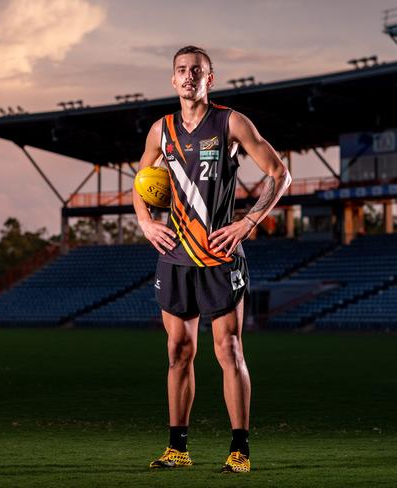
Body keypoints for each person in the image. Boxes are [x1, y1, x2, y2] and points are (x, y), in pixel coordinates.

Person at [133, 45, 291, 473]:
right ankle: (177, 449)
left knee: (229, 349)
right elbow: (140, 180)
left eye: (196, 71)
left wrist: (249, 222)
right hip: (175, 256)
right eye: (181, 70)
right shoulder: (160, 130)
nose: (189, 77)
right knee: (178, 351)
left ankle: (239, 450)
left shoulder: (230, 122)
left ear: (210, 78)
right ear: (172, 79)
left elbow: (280, 173)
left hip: (220, 255)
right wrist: (146, 224)